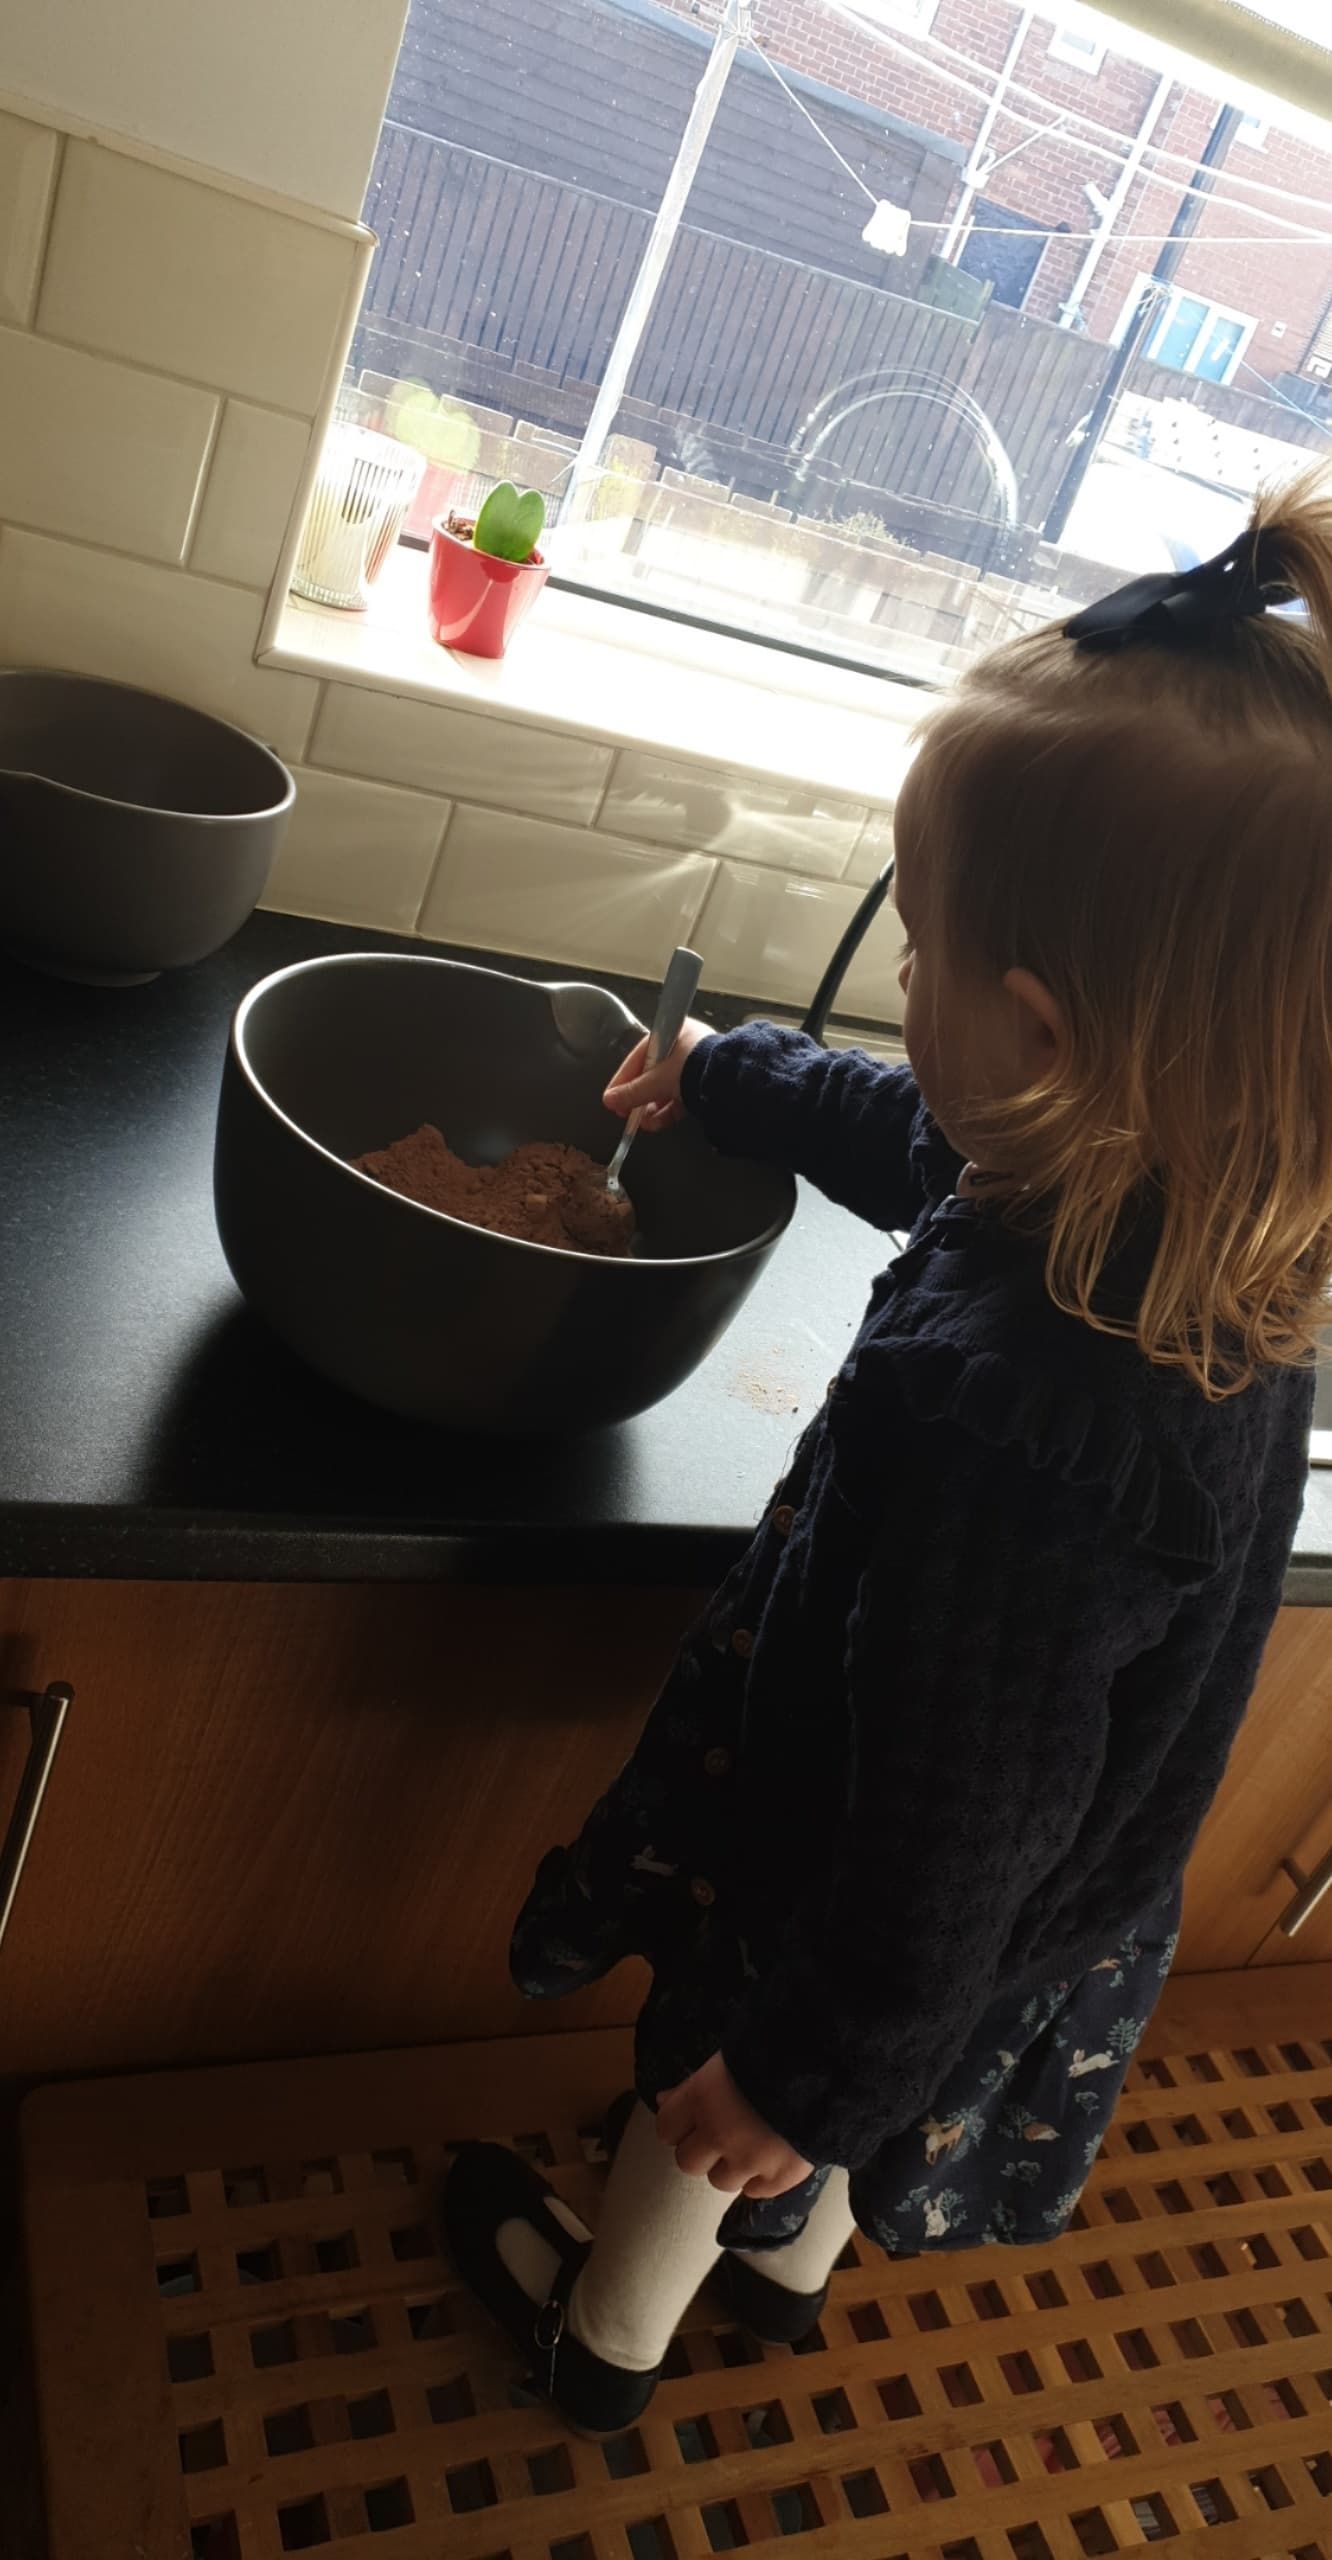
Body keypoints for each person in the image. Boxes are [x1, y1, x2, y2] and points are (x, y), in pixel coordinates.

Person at [444, 476, 1332, 2438]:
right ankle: (787, 2268)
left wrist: (801, 2067)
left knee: (711, 2107)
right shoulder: (1166, 1210)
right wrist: (731, 1078)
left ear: (1040, 1032)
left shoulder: (1023, 1426)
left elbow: (946, 1831)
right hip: (1043, 1913)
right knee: (859, 2112)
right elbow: (910, 1133)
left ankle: (602, 2333)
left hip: (858, 1899)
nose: (902, 982)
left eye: (918, 947)